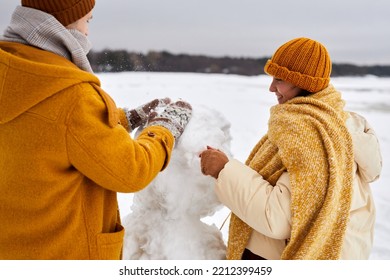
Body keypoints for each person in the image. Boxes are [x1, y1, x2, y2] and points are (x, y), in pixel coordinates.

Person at [0, 0, 192, 259]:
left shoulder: (13, 73)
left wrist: (124, 119)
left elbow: (46, 132)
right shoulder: (71, 94)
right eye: (87, 20)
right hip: (64, 255)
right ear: (65, 22)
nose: (88, 32)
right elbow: (130, 170)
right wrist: (164, 129)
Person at [199, 37, 382, 260]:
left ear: (303, 83)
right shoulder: (342, 123)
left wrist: (224, 170)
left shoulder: (309, 134)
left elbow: (276, 218)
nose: (271, 87)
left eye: (280, 79)